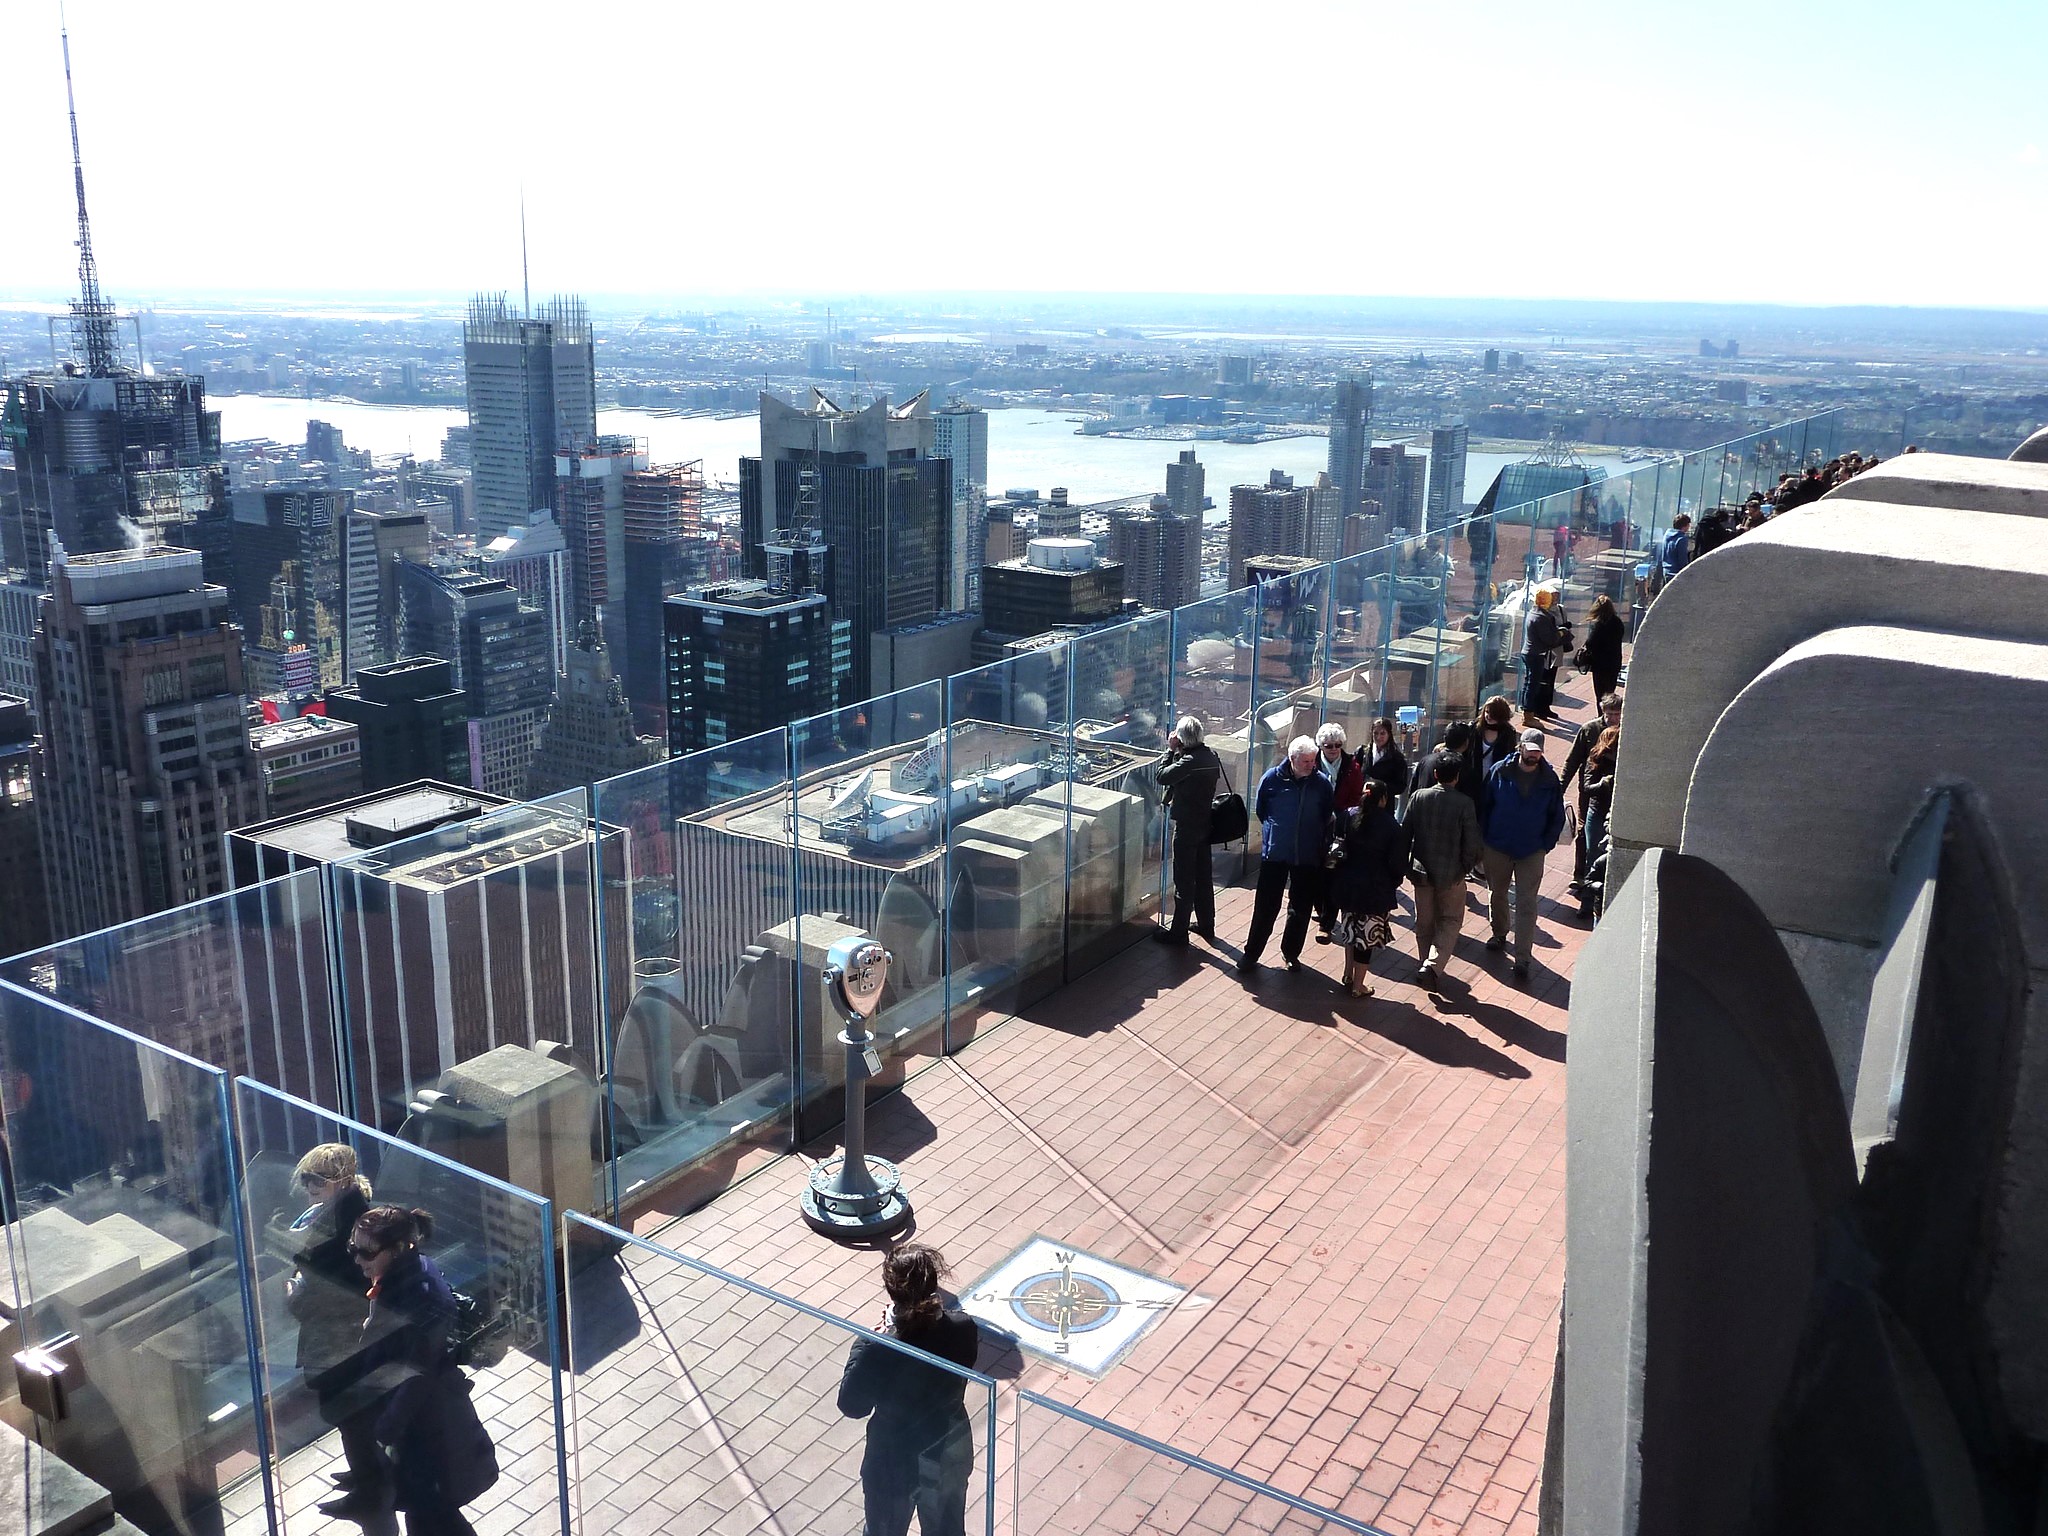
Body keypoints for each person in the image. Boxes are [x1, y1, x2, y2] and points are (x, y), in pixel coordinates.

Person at [320, 1207, 497, 1536]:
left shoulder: (421, 1296)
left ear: (400, 1248)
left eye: (367, 1251)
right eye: (352, 1248)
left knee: (430, 1515)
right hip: (419, 1423)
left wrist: (385, 1430)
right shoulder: (403, 1276)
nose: (357, 1259)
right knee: (429, 1513)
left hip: (428, 1428)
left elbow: (417, 1374)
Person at [838, 1244, 981, 1536]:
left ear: (890, 1290)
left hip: (892, 1459)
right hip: (947, 1449)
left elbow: (852, 1406)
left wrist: (878, 1337)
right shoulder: (963, 1328)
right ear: (933, 1283)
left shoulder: (876, 1347)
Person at [284, 1145, 376, 1498]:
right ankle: (364, 1472)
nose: (309, 1186)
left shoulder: (352, 1227)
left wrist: (297, 1297)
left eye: (318, 1179)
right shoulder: (330, 1216)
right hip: (335, 1335)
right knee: (347, 1415)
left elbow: (341, 1290)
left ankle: (369, 1486)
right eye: (306, 1178)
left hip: (342, 1338)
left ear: (344, 1181)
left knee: (350, 1413)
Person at [1240, 736, 1335, 977]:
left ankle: (1291, 953)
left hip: (1307, 854)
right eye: (1305, 761)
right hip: (1276, 853)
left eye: (1313, 761)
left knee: (1300, 908)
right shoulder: (1272, 778)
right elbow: (1262, 810)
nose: (1310, 765)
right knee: (1265, 907)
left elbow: (1326, 816)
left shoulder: (1322, 784)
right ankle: (1252, 953)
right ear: (1292, 759)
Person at [1480, 729, 1568, 985]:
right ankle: (1499, 933)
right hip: (1497, 846)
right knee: (1497, 892)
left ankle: (1522, 958)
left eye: (1537, 752)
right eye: (1529, 751)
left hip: (1531, 851)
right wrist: (1485, 838)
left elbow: (1556, 816)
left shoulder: (1550, 780)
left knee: (1527, 903)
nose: (1533, 756)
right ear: (1520, 748)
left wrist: (1545, 844)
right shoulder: (1499, 771)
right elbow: (1486, 805)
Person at [1400, 751, 1484, 992]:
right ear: (1456, 777)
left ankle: (1425, 964)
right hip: (1452, 874)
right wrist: (1466, 867)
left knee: (1424, 923)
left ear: (1435, 774)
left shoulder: (1418, 797)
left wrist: (1405, 866)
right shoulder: (1464, 804)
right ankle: (1432, 966)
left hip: (1421, 871)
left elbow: (1406, 833)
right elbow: (1471, 842)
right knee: (1450, 920)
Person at [1323, 780, 1409, 997]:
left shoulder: (1347, 817)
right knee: (1366, 938)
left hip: (1347, 884)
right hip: (1375, 889)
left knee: (1350, 929)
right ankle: (1358, 985)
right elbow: (1397, 864)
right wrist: (1393, 883)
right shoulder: (1390, 826)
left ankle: (1347, 973)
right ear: (1383, 799)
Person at [1153, 716, 1221, 946]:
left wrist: (1170, 750)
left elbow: (1162, 776)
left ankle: (1178, 932)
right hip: (1205, 824)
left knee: (1184, 879)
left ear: (1182, 738)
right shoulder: (1210, 756)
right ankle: (1206, 924)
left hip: (1187, 826)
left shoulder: (1188, 762)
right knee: (1203, 877)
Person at [1560, 692, 1624, 893]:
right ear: (1602, 711)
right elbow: (1572, 761)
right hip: (1589, 793)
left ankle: (1599, 875)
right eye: (1609, 714)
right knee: (1583, 834)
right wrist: (1560, 789)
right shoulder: (1589, 730)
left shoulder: (1626, 731)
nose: (1612, 718)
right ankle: (1580, 876)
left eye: (1616, 714)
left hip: (1613, 796)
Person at [1574, 726, 1621, 921]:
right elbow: (1587, 787)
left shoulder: (1622, 761)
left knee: (1606, 856)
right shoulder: (1595, 760)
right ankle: (1587, 901)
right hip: (1597, 811)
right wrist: (1605, 783)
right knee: (1593, 855)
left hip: (1614, 813)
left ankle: (1603, 899)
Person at [1520, 586, 1571, 722]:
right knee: (1534, 684)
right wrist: (1561, 632)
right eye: (1551, 596)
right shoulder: (1541, 616)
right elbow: (1550, 639)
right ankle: (1530, 712)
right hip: (1539, 654)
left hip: (1539, 653)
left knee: (1534, 683)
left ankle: (1534, 708)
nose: (1554, 599)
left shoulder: (1535, 612)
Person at [1578, 594, 1625, 705]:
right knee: (1609, 691)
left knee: (1600, 694)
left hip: (1600, 664)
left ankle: (1602, 717)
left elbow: (1591, 643)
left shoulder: (1599, 624)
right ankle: (1609, 715)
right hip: (1614, 662)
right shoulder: (1618, 622)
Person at [1313, 722, 1366, 812]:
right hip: (1314, 816)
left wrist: (1343, 814)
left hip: (1343, 818)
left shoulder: (1352, 767)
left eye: (1338, 745)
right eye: (1329, 746)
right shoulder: (1311, 764)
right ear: (1321, 746)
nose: (1334, 749)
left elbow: (1356, 796)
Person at [1361, 717, 1408, 803]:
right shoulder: (1362, 752)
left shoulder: (1397, 758)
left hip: (1384, 805)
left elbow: (1400, 786)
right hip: (1363, 804)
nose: (1378, 737)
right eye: (1375, 733)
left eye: (1382, 733)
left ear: (1389, 734)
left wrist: (1378, 787)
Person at [1657, 514, 1693, 591]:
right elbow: (1682, 559)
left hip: (1666, 571)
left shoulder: (1666, 535)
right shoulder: (1681, 539)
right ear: (1685, 526)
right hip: (1676, 573)